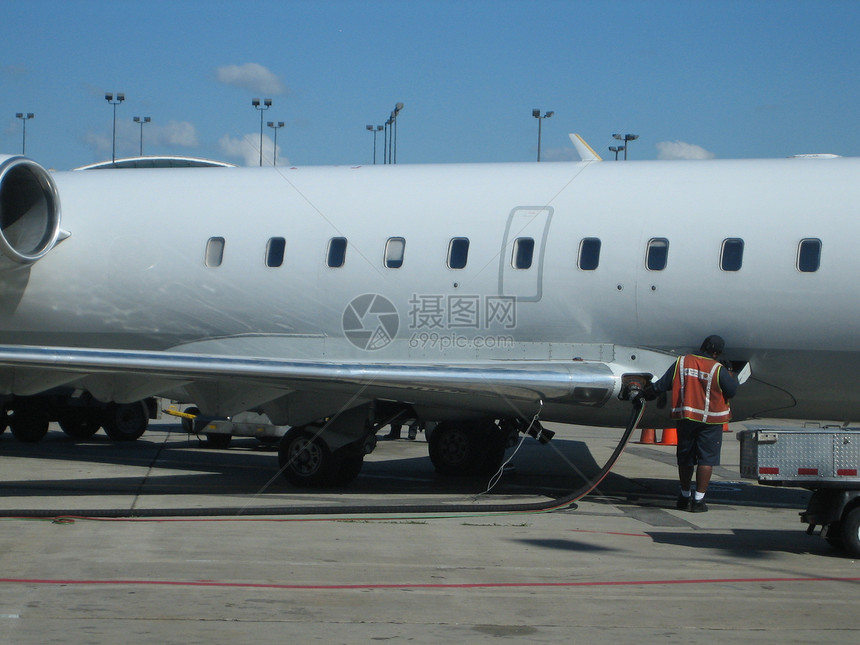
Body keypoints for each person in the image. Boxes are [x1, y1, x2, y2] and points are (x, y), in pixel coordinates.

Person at [647, 335, 739, 512]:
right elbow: (731, 390)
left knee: (686, 458)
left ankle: (684, 496)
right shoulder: (717, 368)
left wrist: (647, 392)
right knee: (706, 460)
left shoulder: (682, 362)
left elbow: (663, 384)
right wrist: (731, 374)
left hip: (686, 417)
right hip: (711, 419)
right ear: (716, 353)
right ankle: (699, 501)